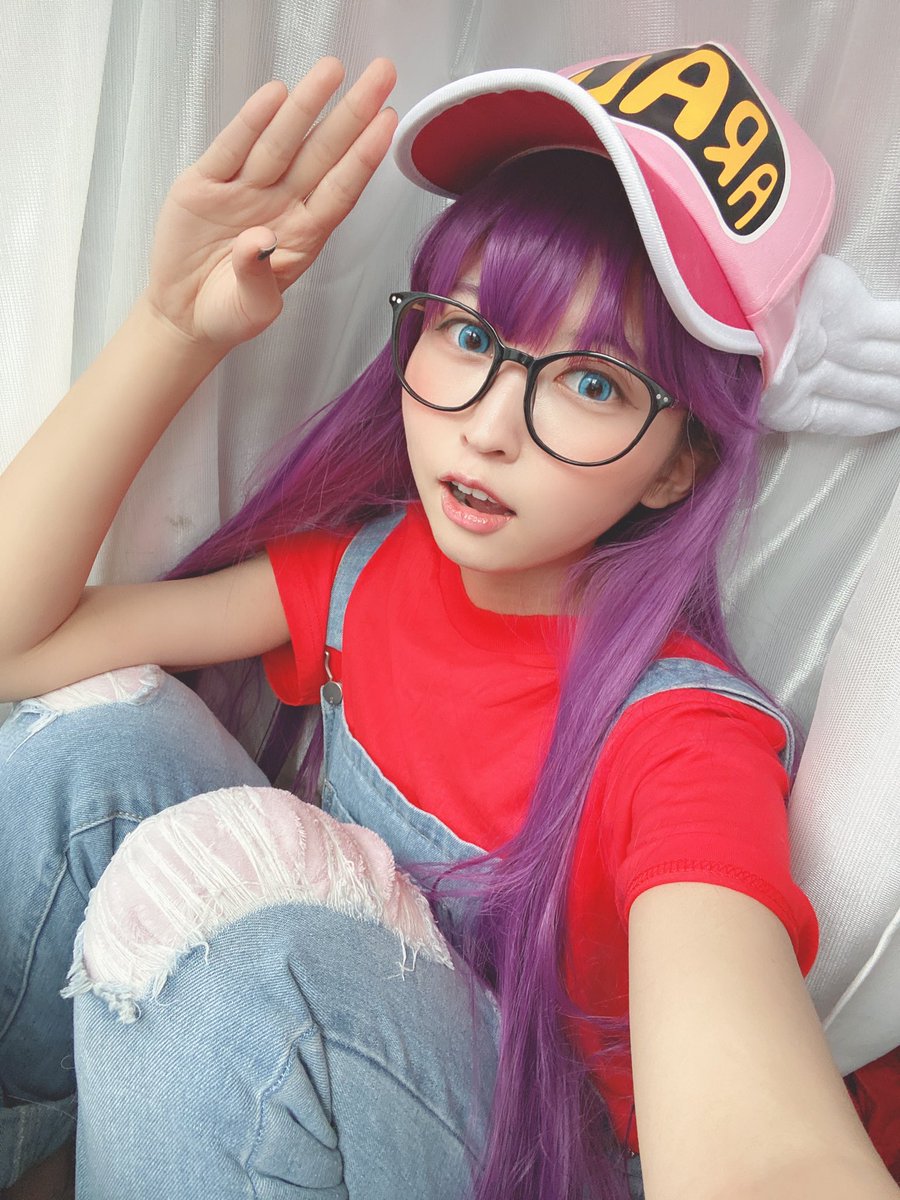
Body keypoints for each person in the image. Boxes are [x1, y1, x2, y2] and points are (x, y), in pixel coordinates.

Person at [0, 44, 896, 1200]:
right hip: (314, 1095)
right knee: (90, 747)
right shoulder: (368, 573)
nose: (488, 428)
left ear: (680, 464)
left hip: (541, 1164)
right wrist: (175, 325)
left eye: (592, 382)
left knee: (243, 944)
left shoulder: (683, 744)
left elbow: (757, 1152)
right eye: (470, 336)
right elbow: (22, 647)